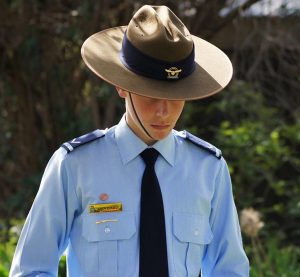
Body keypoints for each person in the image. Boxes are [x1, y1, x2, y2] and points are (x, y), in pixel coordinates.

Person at [10, 5, 249, 277]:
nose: (164, 111)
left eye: (175, 96)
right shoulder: (76, 165)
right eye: (151, 95)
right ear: (121, 86)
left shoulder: (208, 169)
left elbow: (229, 270)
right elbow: (30, 269)